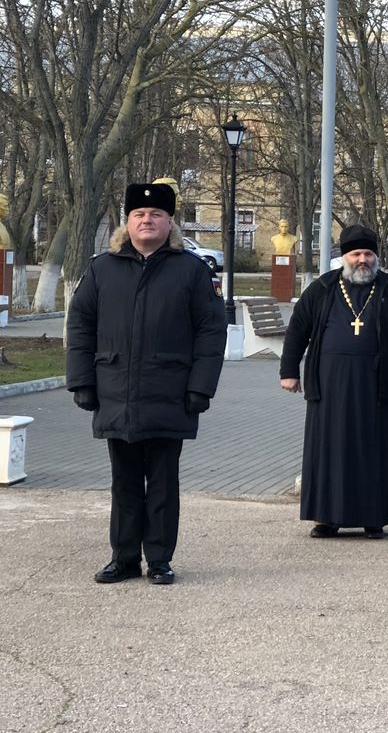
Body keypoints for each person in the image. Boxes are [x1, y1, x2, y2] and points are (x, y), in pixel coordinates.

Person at [65, 183, 227, 585]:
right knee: (123, 482)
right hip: (115, 390)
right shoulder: (103, 268)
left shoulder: (190, 270)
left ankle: (158, 558)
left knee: (162, 482)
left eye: (155, 215)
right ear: (128, 222)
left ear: (169, 222)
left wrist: (200, 387)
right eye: (139, 214)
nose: (147, 220)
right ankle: (123, 558)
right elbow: (81, 325)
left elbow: (211, 331)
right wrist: (81, 381)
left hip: (170, 393)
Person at [279, 224, 388, 539]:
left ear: (376, 257)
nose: (362, 260)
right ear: (344, 257)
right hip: (331, 387)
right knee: (330, 450)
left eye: (368, 254)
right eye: (356, 254)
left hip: (377, 387)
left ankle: (374, 518)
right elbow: (298, 329)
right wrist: (288, 371)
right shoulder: (323, 288)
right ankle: (327, 518)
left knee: (374, 450)